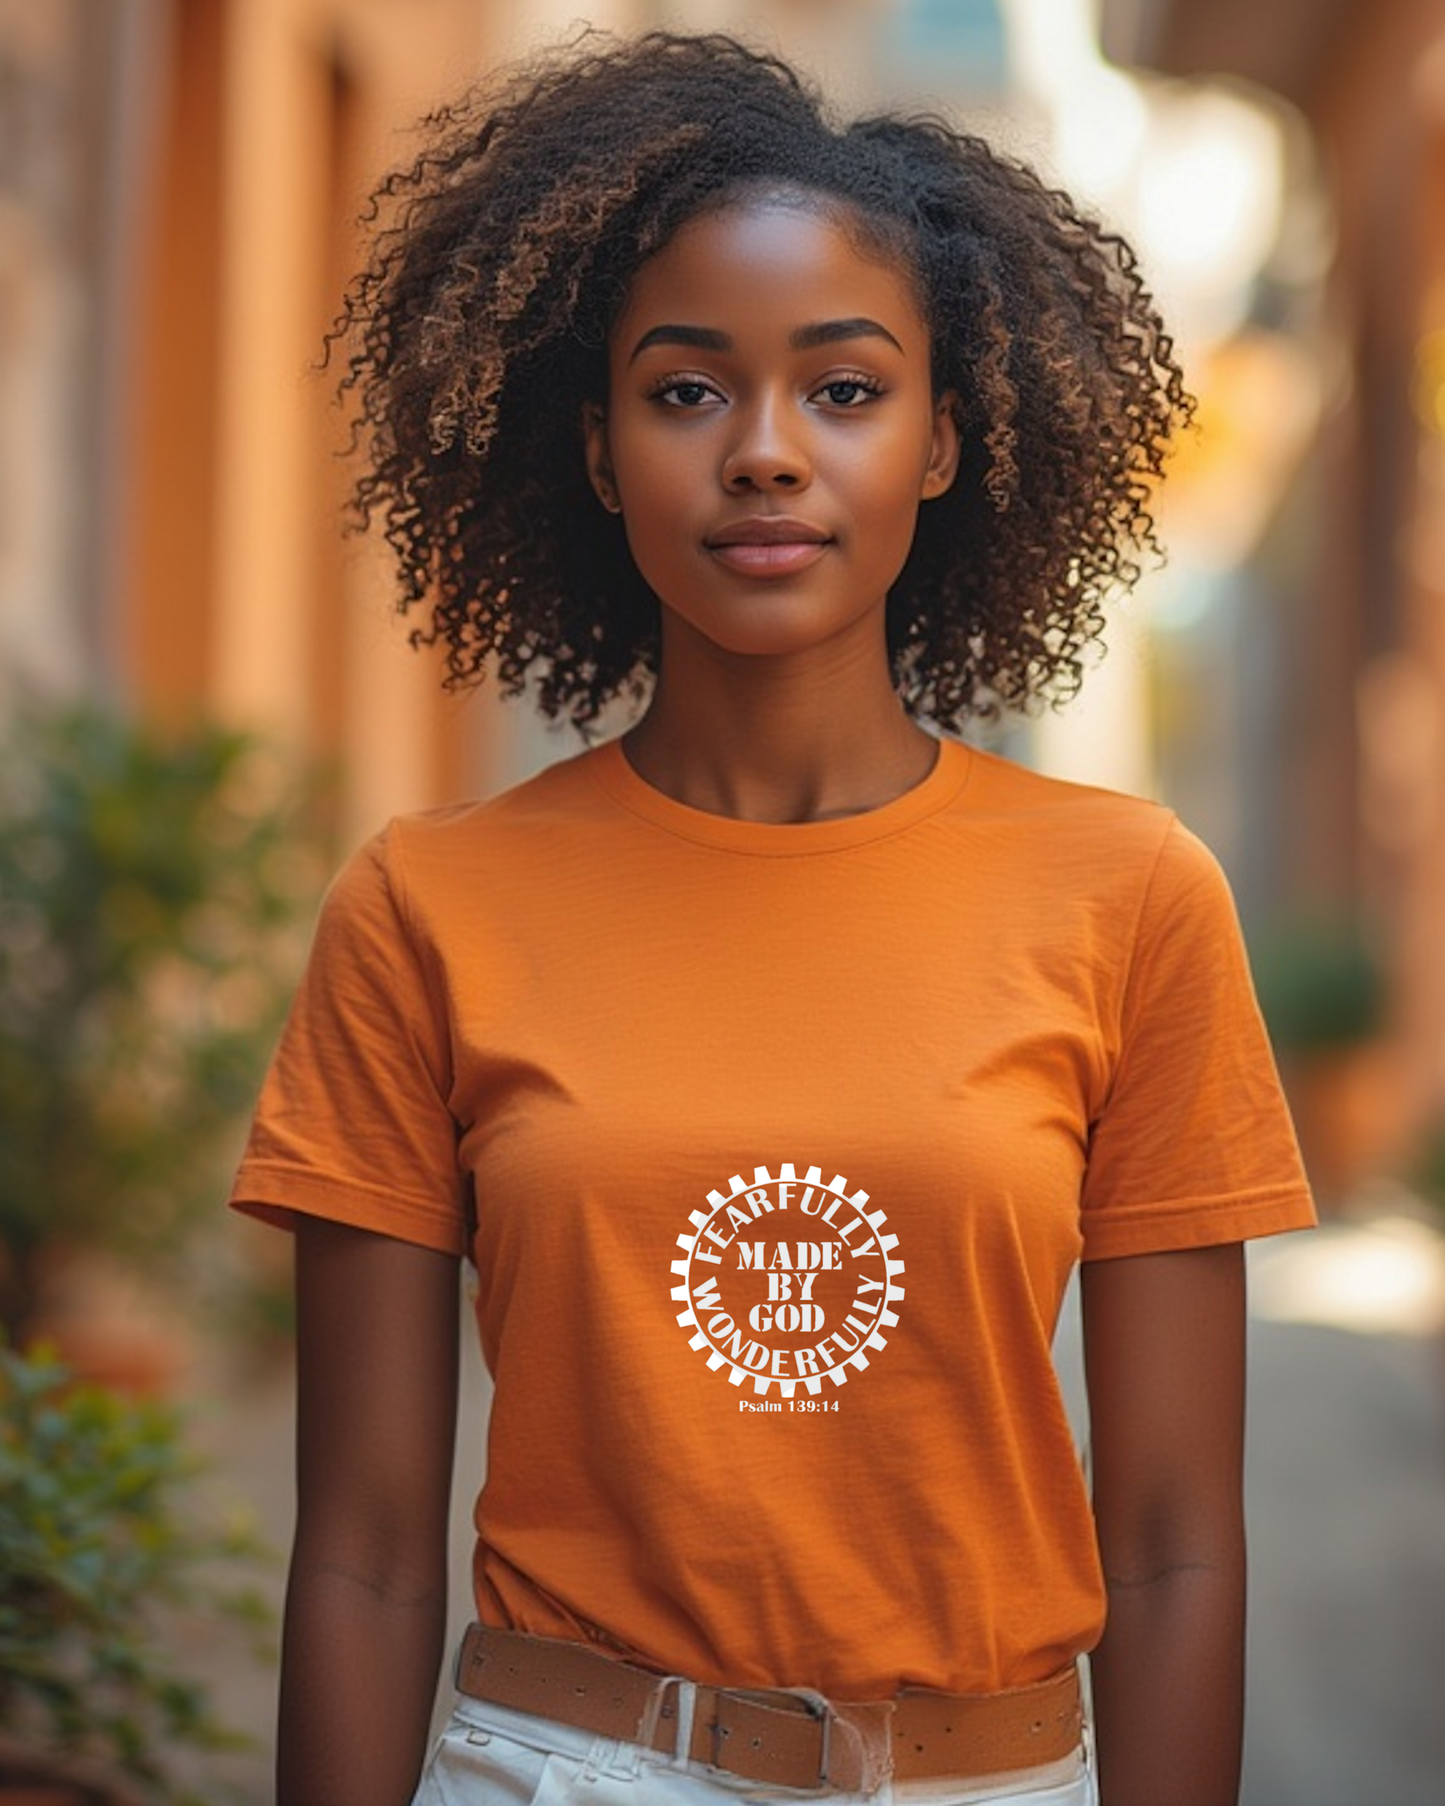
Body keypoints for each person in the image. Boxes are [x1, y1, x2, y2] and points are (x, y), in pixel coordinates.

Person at [229, 29, 1315, 1806]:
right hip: (560, 1768)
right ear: (592, 450)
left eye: (844, 387)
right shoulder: (430, 903)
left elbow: (1184, 1538)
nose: (761, 453)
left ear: (949, 437)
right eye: (682, 391)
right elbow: (358, 1550)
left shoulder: (1131, 897)